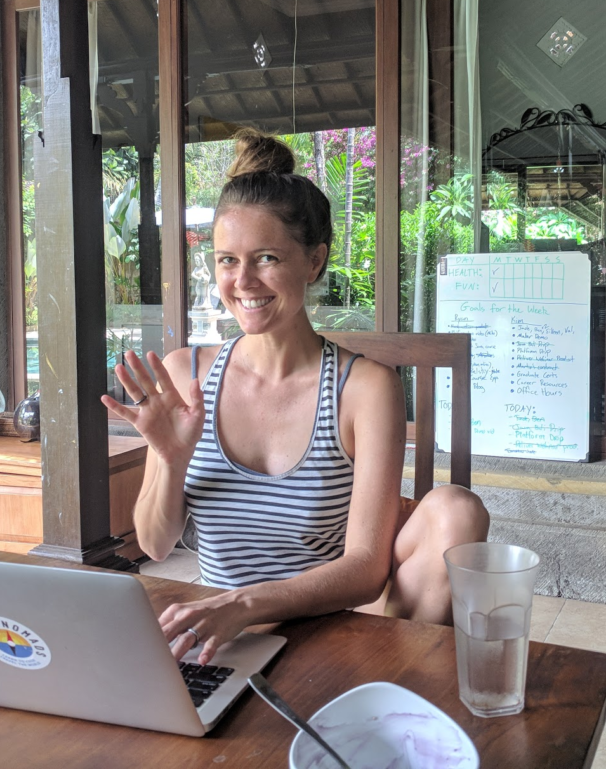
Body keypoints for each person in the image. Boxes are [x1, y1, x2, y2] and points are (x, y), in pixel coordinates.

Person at [102, 129, 489, 666]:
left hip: (330, 630)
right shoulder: (185, 373)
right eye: (226, 260)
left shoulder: (365, 388)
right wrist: (171, 459)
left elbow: (366, 566)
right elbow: (155, 545)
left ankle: (391, 700)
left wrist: (246, 603)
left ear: (313, 261)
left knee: (456, 509)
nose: (243, 281)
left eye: (265, 258)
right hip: (222, 635)